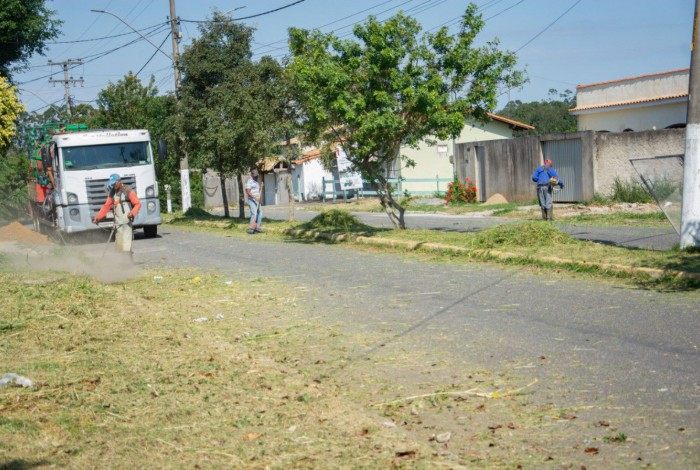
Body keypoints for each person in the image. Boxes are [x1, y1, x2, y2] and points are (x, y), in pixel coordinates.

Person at [92, 174, 141, 253]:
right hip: (118, 224)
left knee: (126, 244)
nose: (113, 185)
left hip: (126, 222)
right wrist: (97, 218)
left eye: (114, 183)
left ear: (119, 181)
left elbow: (137, 204)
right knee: (119, 246)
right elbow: (106, 206)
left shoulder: (128, 190)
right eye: (112, 184)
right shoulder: (112, 192)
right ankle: (120, 262)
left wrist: (132, 213)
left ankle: (128, 263)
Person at [245, 169, 263, 234]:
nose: (256, 176)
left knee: (260, 213)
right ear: (251, 175)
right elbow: (248, 191)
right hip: (252, 200)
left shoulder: (257, 181)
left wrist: (261, 187)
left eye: (256, 175)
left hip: (257, 200)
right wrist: (255, 198)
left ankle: (257, 227)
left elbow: (258, 191)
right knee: (254, 213)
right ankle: (251, 228)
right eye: (254, 175)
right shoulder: (249, 182)